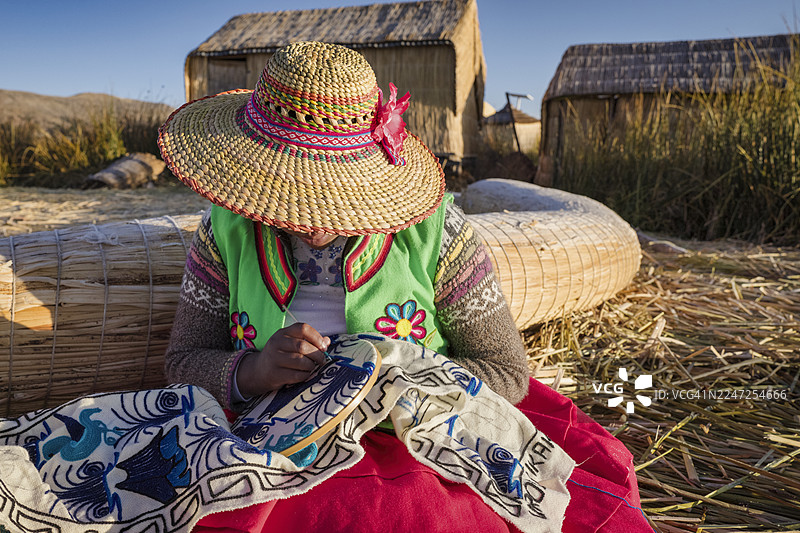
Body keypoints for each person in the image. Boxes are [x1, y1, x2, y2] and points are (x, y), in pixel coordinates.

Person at [159, 41, 651, 533]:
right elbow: (185, 360)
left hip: (417, 437)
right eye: (290, 192)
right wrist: (254, 371)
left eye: (333, 193)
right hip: (266, 433)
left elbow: (504, 370)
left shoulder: (434, 231)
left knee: (405, 514)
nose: (310, 220)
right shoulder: (224, 230)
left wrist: (398, 386)